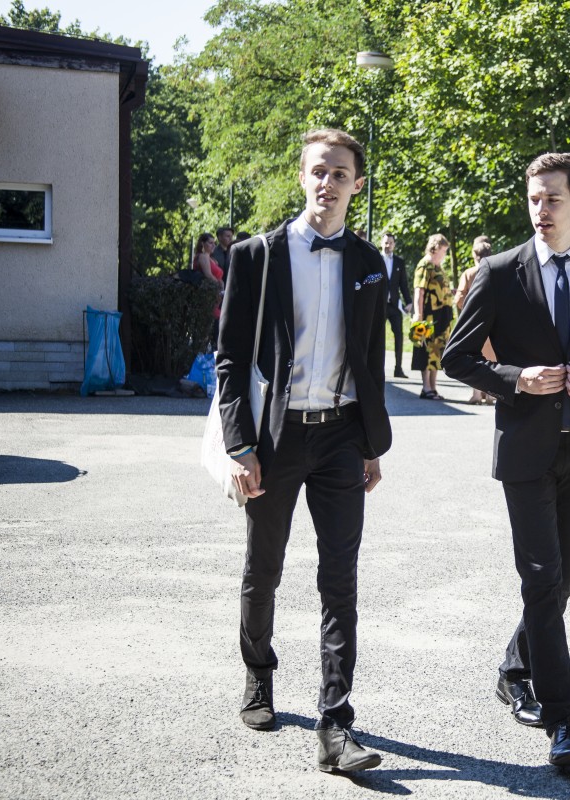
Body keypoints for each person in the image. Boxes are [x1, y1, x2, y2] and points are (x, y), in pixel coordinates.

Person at [443, 152, 570, 768]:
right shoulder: (499, 272)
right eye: (534, 199)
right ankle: (563, 719)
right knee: (540, 578)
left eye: (553, 199)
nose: (541, 209)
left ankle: (514, 668)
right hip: (525, 452)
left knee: (562, 581)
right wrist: (515, 378)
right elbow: (456, 357)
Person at [215, 128, 392, 774]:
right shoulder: (256, 256)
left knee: (340, 580)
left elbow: (370, 360)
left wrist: (370, 444)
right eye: (319, 170)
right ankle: (259, 674)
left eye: (340, 173)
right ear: (301, 176)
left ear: (356, 185)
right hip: (276, 436)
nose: (328, 182)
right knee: (264, 567)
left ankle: (336, 724)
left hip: (342, 435)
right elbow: (230, 359)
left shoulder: (370, 263)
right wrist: (241, 445)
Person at [453, 236, 499, 405]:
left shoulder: (469, 273)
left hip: (474, 323)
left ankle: (477, 394)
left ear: (474, 255)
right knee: (492, 358)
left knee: (474, 357)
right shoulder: (498, 271)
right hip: (494, 322)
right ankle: (492, 394)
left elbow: (459, 299)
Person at [411, 233, 454, 399]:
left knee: (437, 351)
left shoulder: (438, 267)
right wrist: (418, 315)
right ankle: (426, 387)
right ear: (436, 248)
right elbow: (419, 292)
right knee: (426, 350)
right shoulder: (425, 265)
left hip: (441, 316)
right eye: (444, 250)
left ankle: (433, 388)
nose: (445, 254)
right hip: (428, 315)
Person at [378, 231, 412, 378]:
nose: (388, 245)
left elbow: (403, 284)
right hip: (379, 305)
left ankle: (398, 369)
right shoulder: (376, 259)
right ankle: (377, 368)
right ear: (381, 243)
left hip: (394, 305)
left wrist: (409, 302)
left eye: (391, 243)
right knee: (378, 337)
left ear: (394, 245)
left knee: (399, 335)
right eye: (386, 242)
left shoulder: (399, 262)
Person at [192, 232, 224, 344]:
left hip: (216, 298)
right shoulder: (203, 256)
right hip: (209, 298)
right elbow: (208, 275)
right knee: (211, 330)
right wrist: (220, 288)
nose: (213, 245)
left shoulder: (211, 259)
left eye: (214, 243)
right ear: (203, 244)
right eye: (210, 243)